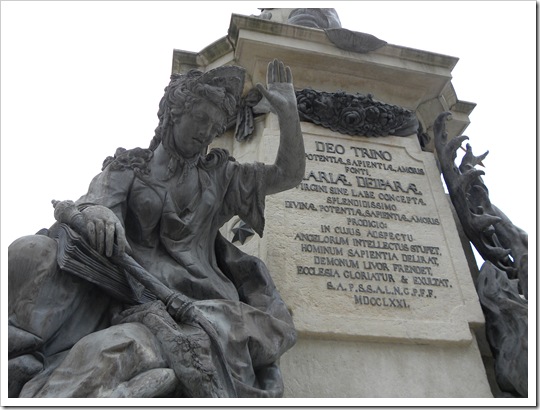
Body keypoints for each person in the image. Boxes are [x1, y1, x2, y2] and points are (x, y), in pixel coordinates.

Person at [8, 59, 305, 398]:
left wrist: (288, 113)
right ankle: (23, 357)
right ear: (174, 113)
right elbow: (96, 204)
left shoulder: (221, 176)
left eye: (215, 126)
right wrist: (100, 213)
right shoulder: (130, 167)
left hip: (197, 297)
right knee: (31, 250)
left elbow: (287, 174)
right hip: (126, 286)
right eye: (201, 118)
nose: (207, 132)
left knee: (118, 348)